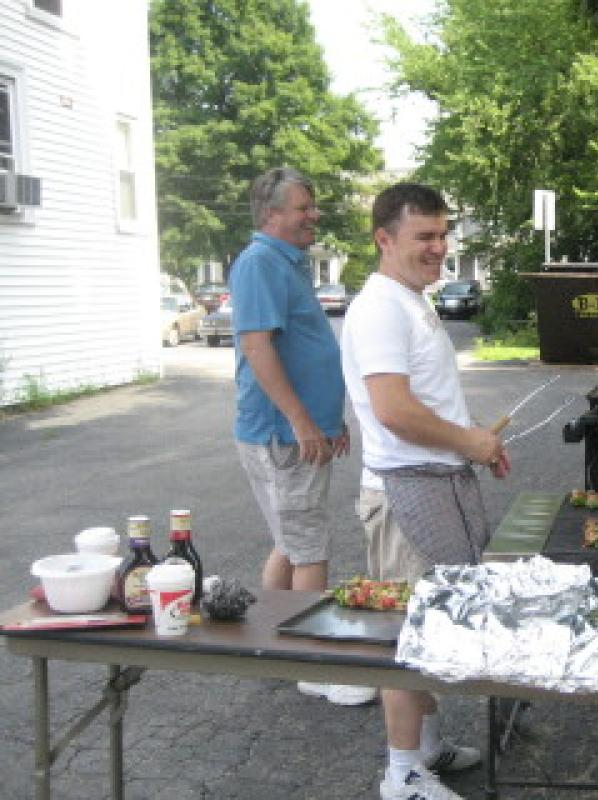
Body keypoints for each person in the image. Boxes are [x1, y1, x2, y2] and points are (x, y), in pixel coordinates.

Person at [341, 182, 510, 800]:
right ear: (384, 239)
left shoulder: (412, 300)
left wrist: (472, 439)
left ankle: (429, 746)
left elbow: (428, 401)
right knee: (404, 632)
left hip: (436, 481)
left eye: (443, 235)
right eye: (424, 237)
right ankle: (402, 772)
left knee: (431, 620)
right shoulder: (381, 307)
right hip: (404, 490)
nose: (439, 248)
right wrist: (468, 444)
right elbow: (393, 410)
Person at [229, 167, 375, 706]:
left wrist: (327, 420)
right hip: (282, 436)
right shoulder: (261, 262)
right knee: (309, 545)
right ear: (272, 213)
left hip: (297, 433)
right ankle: (314, 663)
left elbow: (298, 347)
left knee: (291, 541)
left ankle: (269, 641)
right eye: (303, 207)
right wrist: (303, 421)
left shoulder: (284, 263)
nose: (314, 215)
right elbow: (258, 348)